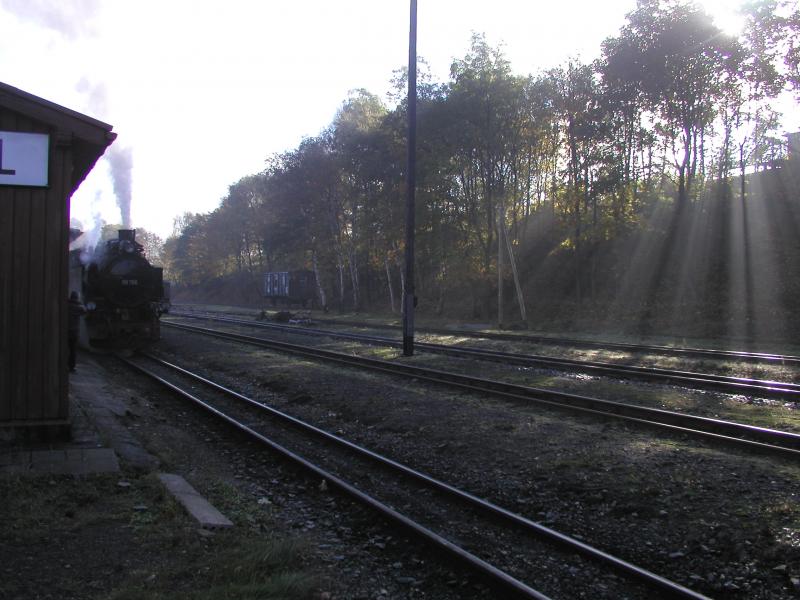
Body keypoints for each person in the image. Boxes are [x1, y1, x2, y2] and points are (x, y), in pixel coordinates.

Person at [67, 291, 86, 372]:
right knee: (73, 350)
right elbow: (85, 311)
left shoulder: (66, 305)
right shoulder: (78, 307)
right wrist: (79, 302)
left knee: (65, 349)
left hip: (65, 331)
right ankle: (71, 367)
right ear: (77, 298)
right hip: (74, 332)